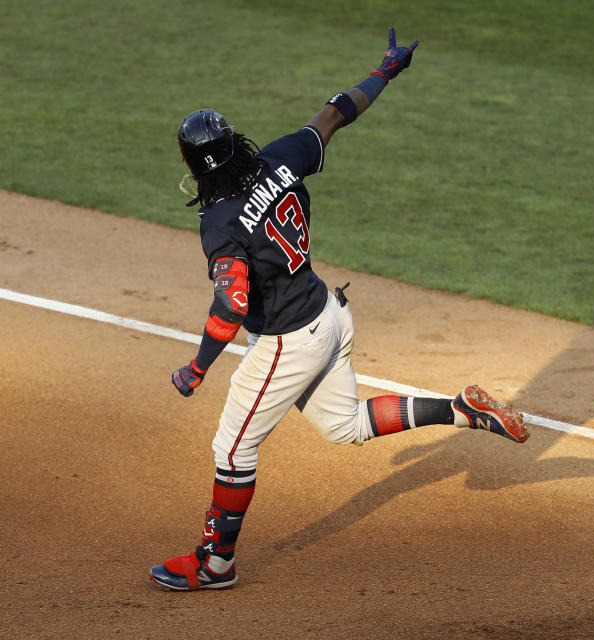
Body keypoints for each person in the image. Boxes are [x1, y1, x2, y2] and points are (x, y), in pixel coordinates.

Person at [150, 28, 530, 592]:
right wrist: (386, 70)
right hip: (328, 316)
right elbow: (335, 114)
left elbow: (231, 303)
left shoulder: (220, 221)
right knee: (343, 426)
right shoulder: (280, 157)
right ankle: (460, 411)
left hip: (286, 343)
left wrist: (197, 368)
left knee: (233, 448)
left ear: (194, 163)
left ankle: (216, 563)